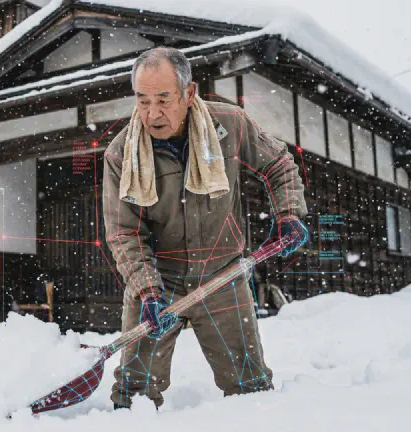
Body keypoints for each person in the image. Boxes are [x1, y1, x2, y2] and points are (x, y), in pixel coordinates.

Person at [102, 47, 309, 410]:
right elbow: (124, 232)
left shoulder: (229, 125)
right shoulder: (122, 154)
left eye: (163, 100)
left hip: (223, 274)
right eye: (142, 100)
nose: (151, 114)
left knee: (251, 387)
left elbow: (278, 164)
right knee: (134, 395)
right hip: (159, 281)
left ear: (189, 93)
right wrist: (148, 291)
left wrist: (288, 213)